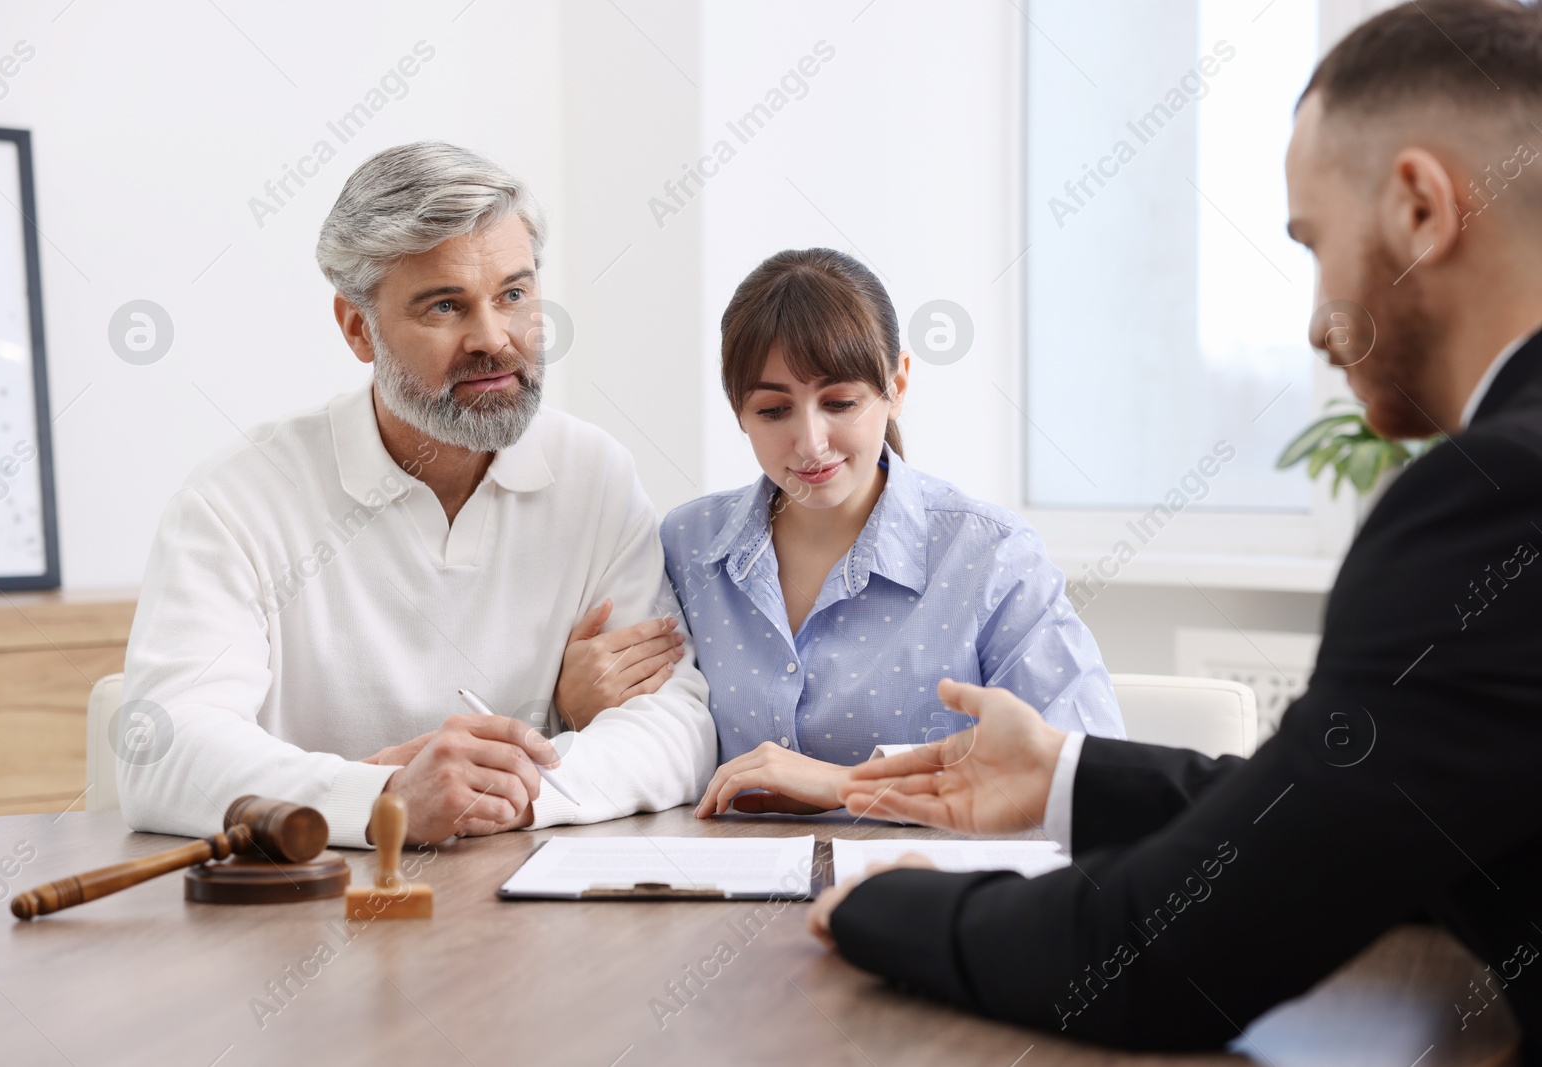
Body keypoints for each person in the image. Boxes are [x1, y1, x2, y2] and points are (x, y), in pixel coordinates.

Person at [808, 0, 1542, 1055]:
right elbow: (1362, 814)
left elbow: (1156, 956)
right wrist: (1065, 770)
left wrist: (891, 901)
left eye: (1312, 242)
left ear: (1420, 210)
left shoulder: (1493, 497)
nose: (1311, 320)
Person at [117, 142, 714, 848]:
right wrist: (385, 798)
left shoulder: (595, 475)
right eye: (444, 306)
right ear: (355, 328)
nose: (493, 338)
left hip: (523, 905)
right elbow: (161, 750)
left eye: (514, 295)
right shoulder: (236, 499)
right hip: (309, 919)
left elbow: (677, 725)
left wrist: (511, 792)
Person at [656, 247, 1124, 816]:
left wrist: (852, 784)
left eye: (840, 402)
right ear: (738, 410)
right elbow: (643, 732)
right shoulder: (686, 546)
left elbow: (1086, 770)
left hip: (922, 894)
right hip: (716, 893)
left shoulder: (990, 556)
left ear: (896, 385)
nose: (810, 443)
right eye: (773, 411)